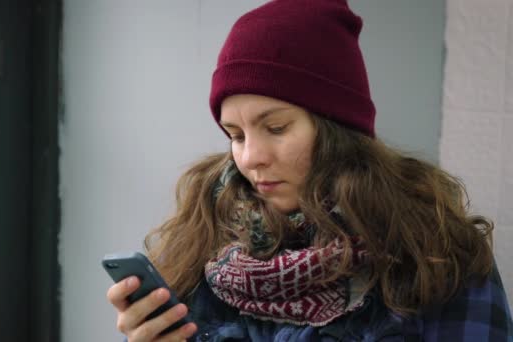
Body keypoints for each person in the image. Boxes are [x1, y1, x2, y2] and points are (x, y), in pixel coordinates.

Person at [106, 0, 513, 341]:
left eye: (276, 128)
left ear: (338, 128)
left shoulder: (438, 254)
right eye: (236, 134)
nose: (250, 158)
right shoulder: (203, 238)